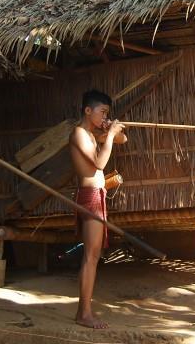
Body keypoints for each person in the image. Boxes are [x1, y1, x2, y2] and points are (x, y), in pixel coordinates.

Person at [69, 89, 126, 329]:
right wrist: (110, 135)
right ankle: (84, 314)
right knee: (91, 257)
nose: (105, 116)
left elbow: (124, 139)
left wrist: (111, 129)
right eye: (102, 112)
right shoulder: (80, 134)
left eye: (107, 113)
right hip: (90, 196)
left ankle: (83, 311)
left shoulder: (92, 135)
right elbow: (100, 163)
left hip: (94, 195)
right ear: (87, 110)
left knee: (91, 257)